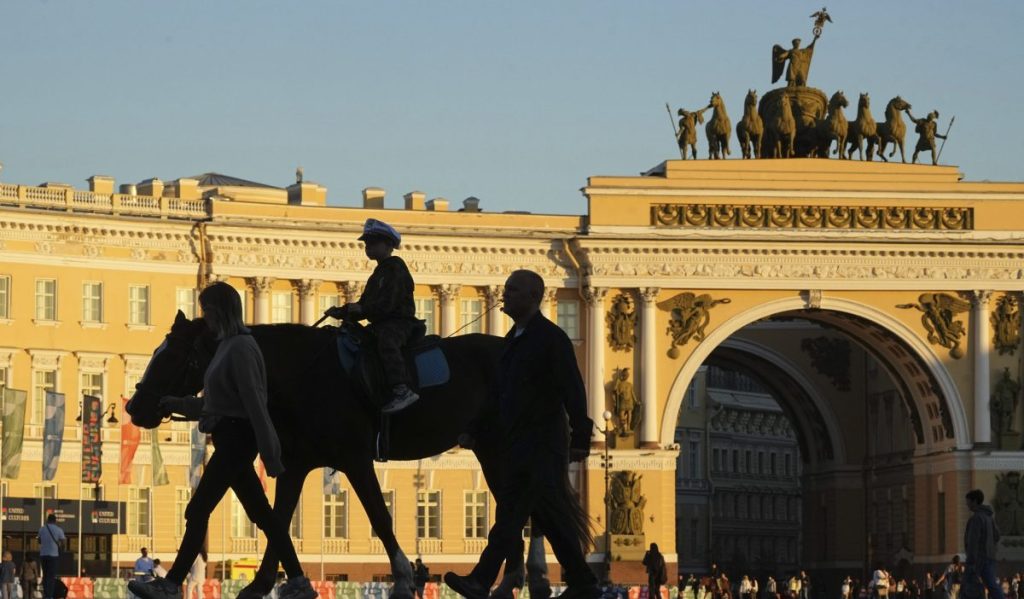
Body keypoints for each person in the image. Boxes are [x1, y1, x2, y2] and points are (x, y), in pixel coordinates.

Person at [129, 282, 316, 599]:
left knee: (197, 509)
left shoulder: (241, 348)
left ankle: (171, 584)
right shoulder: (229, 347)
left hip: (237, 439)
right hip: (230, 435)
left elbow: (255, 402)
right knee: (263, 516)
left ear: (220, 312)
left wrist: (270, 452)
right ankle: (298, 582)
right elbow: (215, 403)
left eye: (208, 311)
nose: (206, 318)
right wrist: (176, 403)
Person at [443, 270, 596, 599]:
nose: (505, 294)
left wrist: (582, 436)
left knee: (510, 515)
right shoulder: (515, 339)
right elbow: (498, 391)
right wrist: (473, 427)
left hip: (541, 443)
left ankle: (481, 580)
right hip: (518, 443)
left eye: (513, 290)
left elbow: (573, 387)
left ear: (532, 297)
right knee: (550, 516)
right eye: (506, 289)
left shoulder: (550, 338)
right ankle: (584, 582)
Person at [325, 218, 421, 414]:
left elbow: (388, 304)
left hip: (399, 323)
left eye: (373, 243)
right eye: (366, 243)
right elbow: (364, 304)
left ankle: (402, 388)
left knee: (386, 343)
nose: (368, 247)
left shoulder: (395, 268)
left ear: (388, 245)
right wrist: (342, 312)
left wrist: (362, 310)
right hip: (381, 323)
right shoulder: (378, 274)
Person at [964, 489, 1005, 599]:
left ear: (975, 501)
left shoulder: (976, 518)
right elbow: (997, 536)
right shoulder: (988, 517)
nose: (967, 505)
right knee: (992, 585)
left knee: (968, 586)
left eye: (968, 502)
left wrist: (971, 561)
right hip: (990, 556)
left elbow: (973, 542)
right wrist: (989, 546)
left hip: (978, 559)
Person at [38, 514, 65, 599]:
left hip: (43, 555)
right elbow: (63, 541)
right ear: (55, 520)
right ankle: (49, 596)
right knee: (51, 576)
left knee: (45, 576)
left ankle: (46, 595)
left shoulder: (42, 529)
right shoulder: (59, 530)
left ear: (47, 520)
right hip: (53, 555)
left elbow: (39, 541)